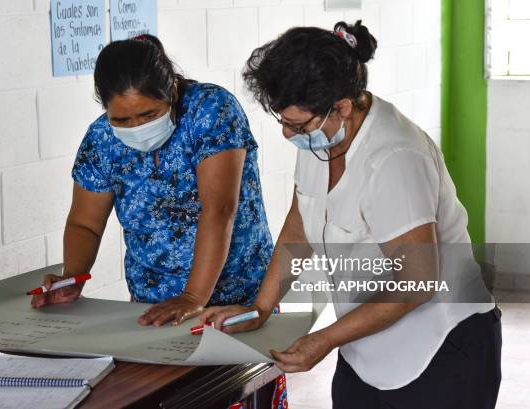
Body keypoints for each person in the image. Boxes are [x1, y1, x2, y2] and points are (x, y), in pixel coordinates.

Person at [201, 22, 502, 409]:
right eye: (284, 122)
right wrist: (261, 308)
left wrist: (324, 339)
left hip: (443, 347)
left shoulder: (394, 158)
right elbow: (299, 226)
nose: (289, 136)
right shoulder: (322, 136)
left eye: (297, 125)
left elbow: (418, 281)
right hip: (367, 344)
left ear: (341, 107)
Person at [30, 34, 287, 409]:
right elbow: (85, 223)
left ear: (173, 91)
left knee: (235, 395)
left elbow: (219, 211)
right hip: (153, 310)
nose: (136, 126)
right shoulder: (101, 139)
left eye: (148, 114)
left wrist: (193, 297)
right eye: (122, 118)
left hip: (235, 300)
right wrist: (74, 277)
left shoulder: (212, 110)